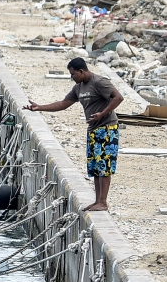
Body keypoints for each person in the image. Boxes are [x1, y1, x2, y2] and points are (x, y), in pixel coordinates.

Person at [25, 59, 124, 213]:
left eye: (73, 74)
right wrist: (40, 107)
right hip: (93, 129)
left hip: (107, 127)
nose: (72, 77)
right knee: (95, 166)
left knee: (104, 165)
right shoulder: (78, 88)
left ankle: (103, 202)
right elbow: (63, 104)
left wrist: (102, 113)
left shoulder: (99, 82)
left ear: (81, 71)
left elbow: (118, 97)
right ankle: (97, 200)